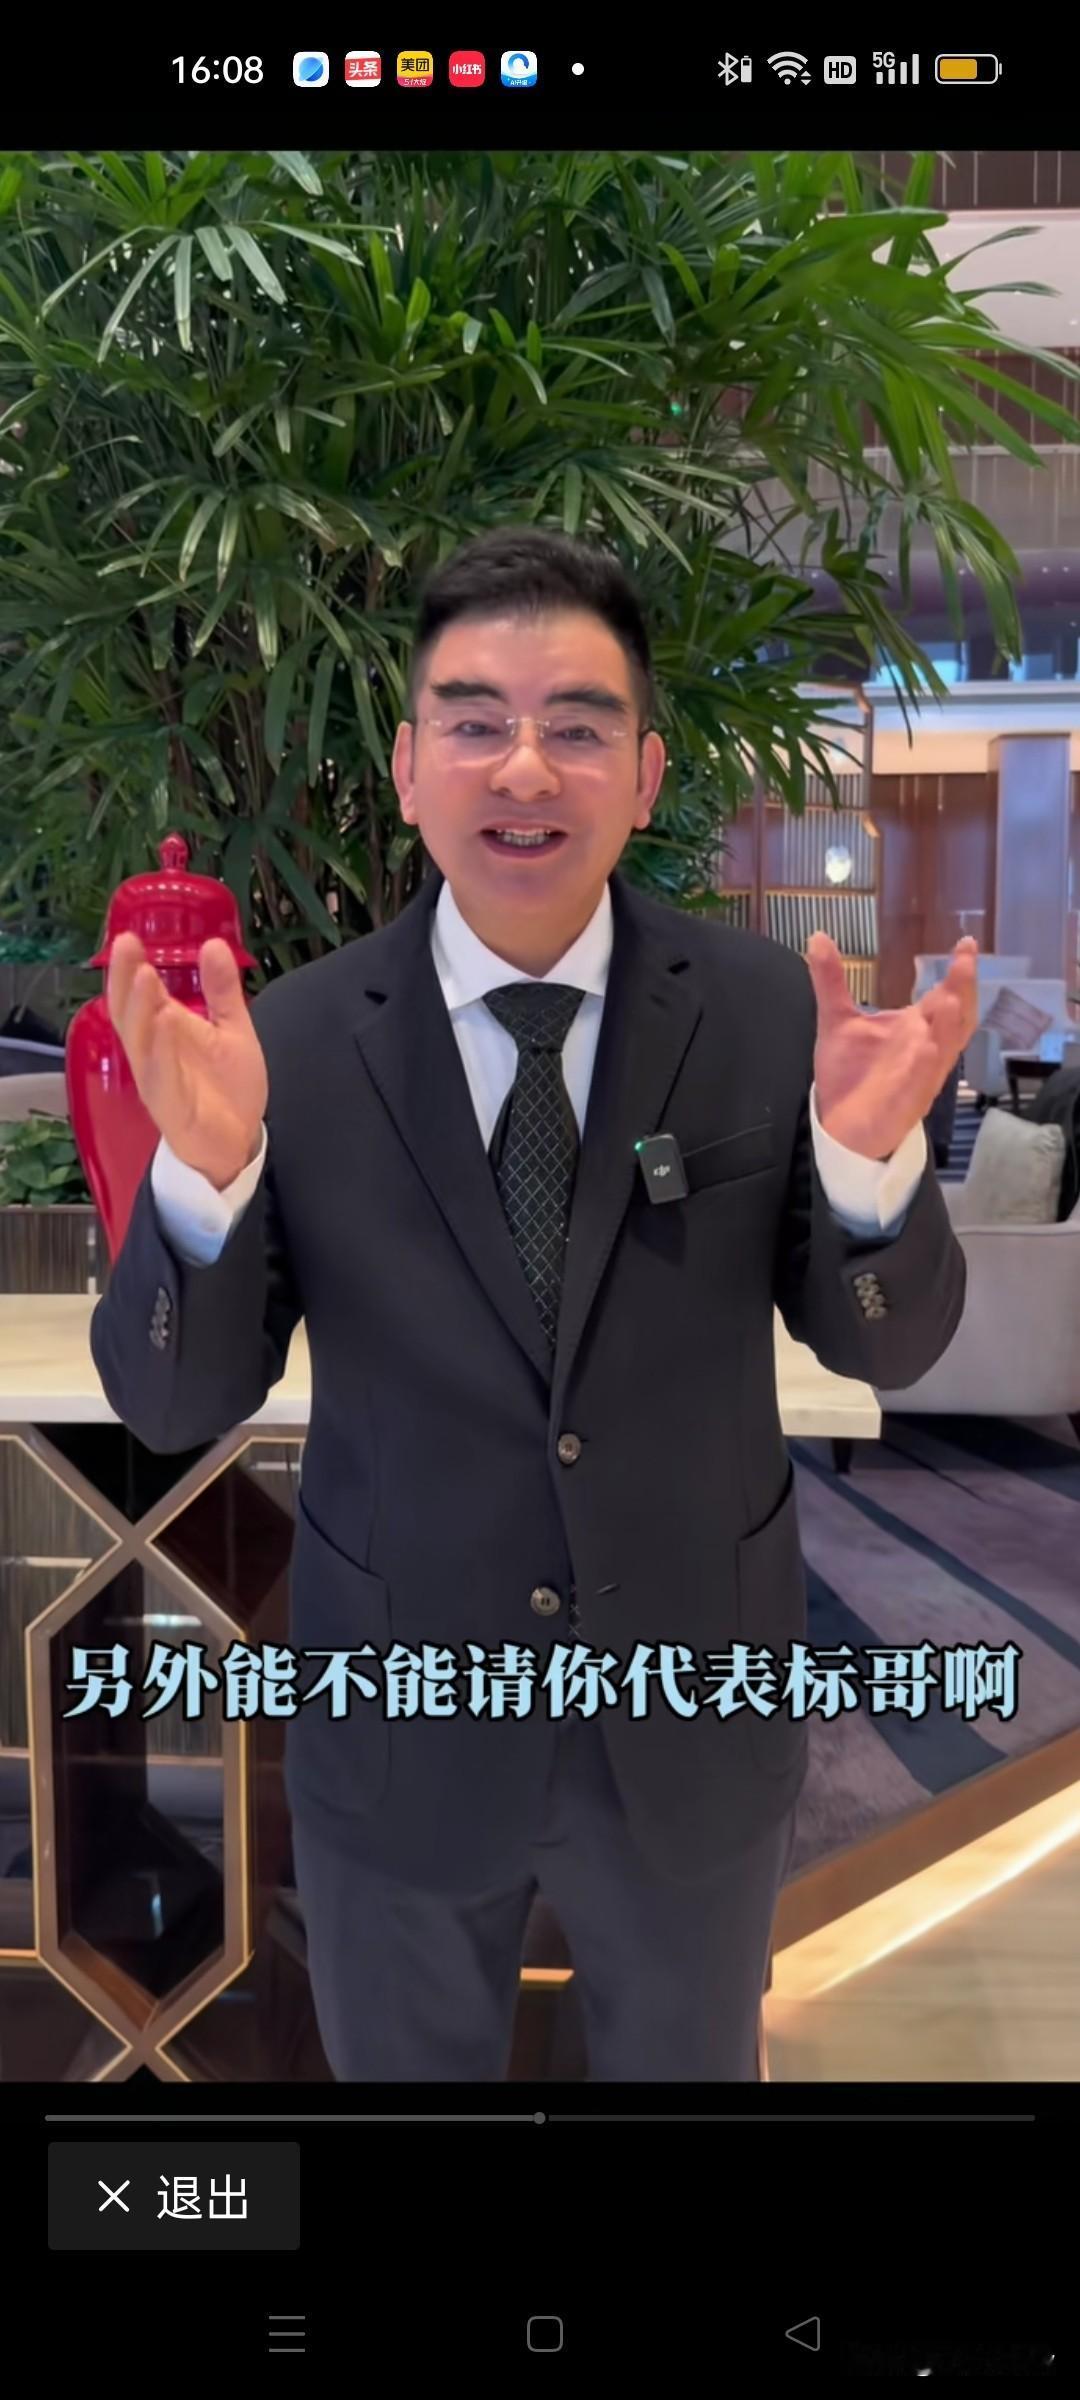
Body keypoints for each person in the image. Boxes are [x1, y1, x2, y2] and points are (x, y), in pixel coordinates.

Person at [91, 528, 977, 2081]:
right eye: (475, 722)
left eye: (576, 726)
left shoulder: (763, 1013)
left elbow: (887, 1343)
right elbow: (172, 1400)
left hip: (690, 1711)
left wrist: (866, 1167)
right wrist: (205, 1179)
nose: (524, 768)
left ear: (643, 776)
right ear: (409, 766)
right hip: (403, 1717)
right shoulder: (293, 1040)